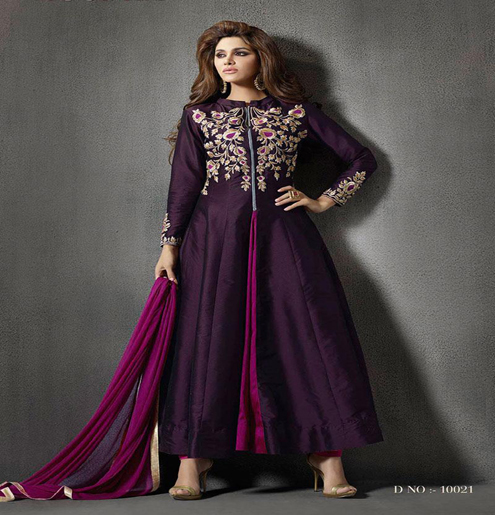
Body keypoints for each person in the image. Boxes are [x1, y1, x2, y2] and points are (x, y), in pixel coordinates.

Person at [154, 20, 384, 500]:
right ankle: (193, 458)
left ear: (261, 58)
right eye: (220, 55)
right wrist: (169, 245)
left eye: (239, 52)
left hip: (286, 241)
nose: (228, 61)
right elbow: (183, 186)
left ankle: (327, 456)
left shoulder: (294, 112)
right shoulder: (200, 116)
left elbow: (362, 159)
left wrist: (323, 200)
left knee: (308, 338)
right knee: (207, 339)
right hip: (214, 242)